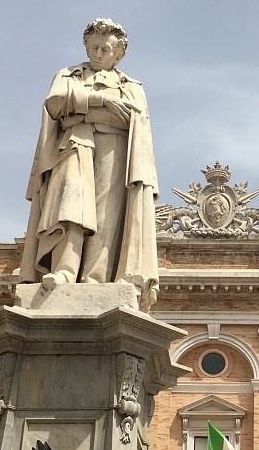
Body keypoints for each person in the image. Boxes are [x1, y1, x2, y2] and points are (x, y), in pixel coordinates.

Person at [19, 18, 159, 310]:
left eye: (105, 49)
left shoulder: (131, 86)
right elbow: (56, 103)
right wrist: (103, 103)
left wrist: (81, 110)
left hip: (114, 149)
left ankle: (96, 278)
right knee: (69, 207)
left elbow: (133, 120)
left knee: (105, 213)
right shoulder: (67, 75)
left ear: (118, 54)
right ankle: (65, 271)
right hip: (72, 145)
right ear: (85, 45)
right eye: (93, 47)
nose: (97, 54)